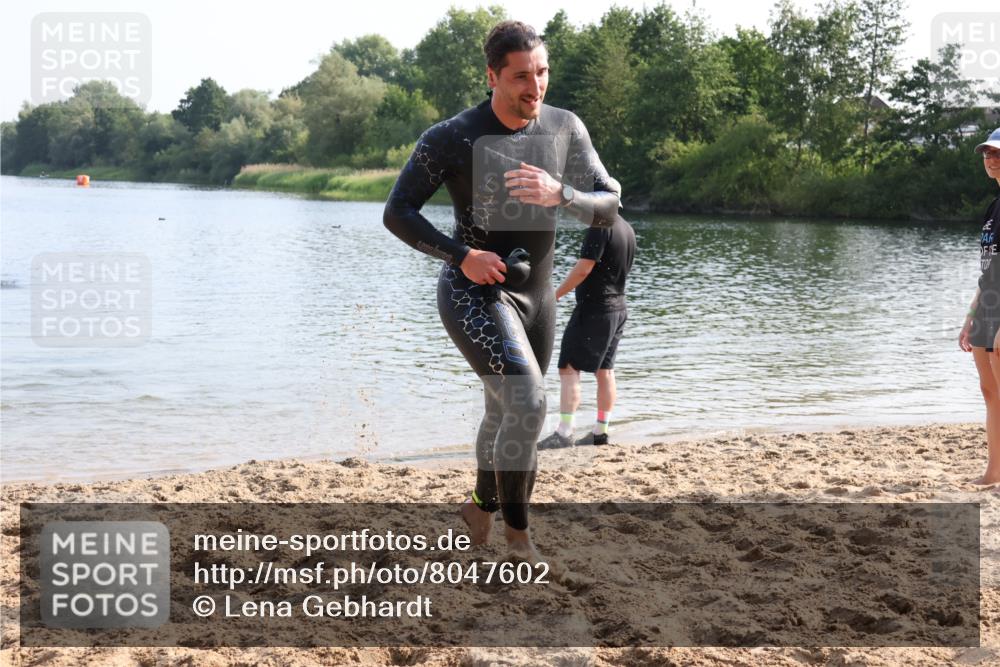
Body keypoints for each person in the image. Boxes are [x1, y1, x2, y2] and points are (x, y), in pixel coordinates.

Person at [383, 21, 621, 558]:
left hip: (538, 299)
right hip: (474, 291)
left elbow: (609, 204)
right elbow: (397, 212)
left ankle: (478, 508)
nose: (535, 87)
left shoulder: (565, 127)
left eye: (542, 73)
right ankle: (518, 541)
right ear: (492, 77)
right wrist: (461, 255)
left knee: (504, 412)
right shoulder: (452, 136)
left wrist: (562, 195)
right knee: (529, 403)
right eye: (520, 77)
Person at [539, 216, 636, 449]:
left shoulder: (600, 226)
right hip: (618, 308)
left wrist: (554, 296)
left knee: (569, 367)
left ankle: (564, 433)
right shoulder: (627, 229)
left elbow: (583, 269)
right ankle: (600, 432)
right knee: (605, 371)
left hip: (595, 309)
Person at [959, 127, 1000, 485]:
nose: (991, 159)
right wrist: (970, 316)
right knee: (990, 392)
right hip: (988, 305)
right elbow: (987, 270)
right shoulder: (993, 208)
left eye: (997, 153)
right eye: (987, 153)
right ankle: (993, 471)